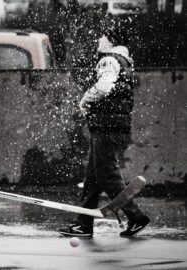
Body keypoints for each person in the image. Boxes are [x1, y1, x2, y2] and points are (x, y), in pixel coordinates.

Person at [59, 27, 150, 238]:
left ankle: (136, 217)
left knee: (107, 175)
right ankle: (83, 223)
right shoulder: (124, 61)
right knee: (93, 178)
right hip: (111, 126)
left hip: (107, 127)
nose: (99, 39)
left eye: (102, 36)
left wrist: (84, 101)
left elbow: (104, 87)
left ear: (110, 41)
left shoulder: (109, 59)